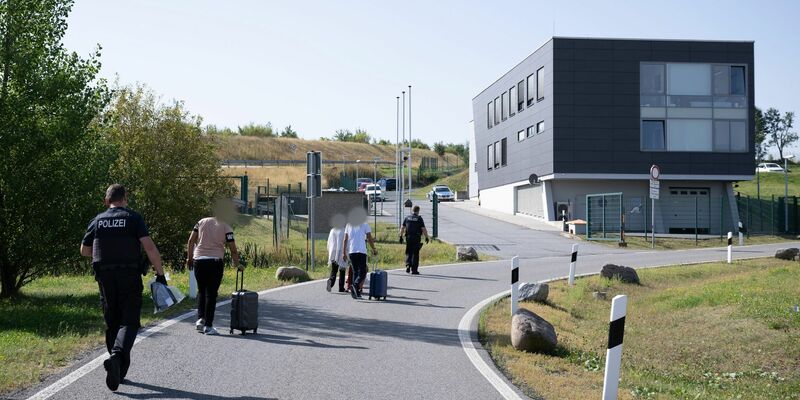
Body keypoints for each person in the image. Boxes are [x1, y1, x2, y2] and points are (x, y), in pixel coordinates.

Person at [80, 184, 166, 392]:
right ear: (125, 199)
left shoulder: (97, 220)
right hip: (129, 275)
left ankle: (118, 368)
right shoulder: (133, 218)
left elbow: (84, 250)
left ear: (106, 201)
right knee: (129, 321)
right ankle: (117, 358)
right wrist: (160, 274)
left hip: (105, 277)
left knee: (112, 321)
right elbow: (149, 247)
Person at [186, 209, 240, 336]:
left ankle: (201, 319)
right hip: (215, 262)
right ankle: (209, 326)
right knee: (211, 293)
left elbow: (191, 240)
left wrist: (189, 258)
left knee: (201, 290)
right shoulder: (226, 226)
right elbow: (232, 247)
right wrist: (236, 263)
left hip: (199, 260)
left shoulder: (201, 222)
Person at [342, 209, 377, 299]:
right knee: (363, 271)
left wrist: (344, 253)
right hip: (361, 251)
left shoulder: (348, 225)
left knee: (355, 272)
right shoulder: (364, 224)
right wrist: (374, 249)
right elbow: (369, 238)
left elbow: (345, 239)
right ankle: (355, 285)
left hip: (352, 252)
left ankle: (356, 293)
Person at [399, 205, 430, 275]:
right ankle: (414, 270)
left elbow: (402, 227)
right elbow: (423, 229)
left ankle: (408, 265)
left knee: (408, 251)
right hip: (416, 237)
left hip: (408, 237)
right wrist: (426, 237)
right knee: (415, 253)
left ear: (412, 210)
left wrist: (400, 236)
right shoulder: (419, 219)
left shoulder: (407, 217)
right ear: (418, 211)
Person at [326, 214, 347, 293]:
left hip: (333, 252)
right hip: (341, 252)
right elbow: (346, 242)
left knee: (334, 270)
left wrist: (329, 251)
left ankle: (331, 282)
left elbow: (329, 242)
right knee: (342, 270)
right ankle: (341, 288)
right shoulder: (343, 230)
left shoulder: (332, 230)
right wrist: (346, 253)